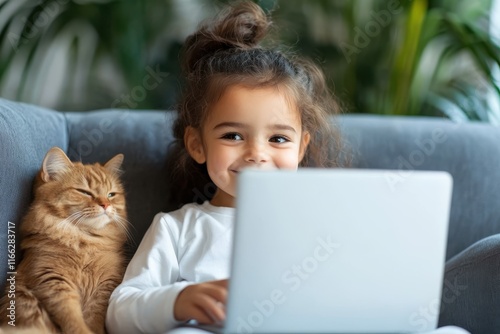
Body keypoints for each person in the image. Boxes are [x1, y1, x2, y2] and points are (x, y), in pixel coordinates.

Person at [105, 2, 470, 334]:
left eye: (278, 139)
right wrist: (177, 301)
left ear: (301, 148)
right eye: (233, 135)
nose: (256, 154)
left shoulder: (327, 225)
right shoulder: (178, 228)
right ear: (197, 145)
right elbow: (119, 312)